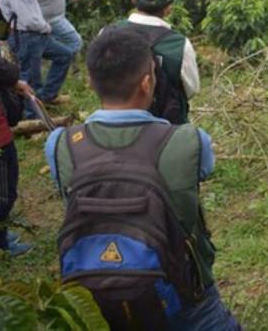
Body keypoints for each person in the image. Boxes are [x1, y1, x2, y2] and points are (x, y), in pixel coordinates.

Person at [44, 29, 239, 330]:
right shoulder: (190, 141)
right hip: (182, 293)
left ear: (90, 81)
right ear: (147, 83)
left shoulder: (61, 144)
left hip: (93, 295)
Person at [0, 0, 74, 111]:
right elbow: (26, 18)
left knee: (65, 55)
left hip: (38, 34)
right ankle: (32, 117)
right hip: (27, 36)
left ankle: (47, 97)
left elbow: (32, 7)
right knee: (31, 79)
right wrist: (45, 27)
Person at [114, 0, 200, 124]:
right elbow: (191, 90)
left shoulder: (107, 34)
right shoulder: (179, 45)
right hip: (168, 132)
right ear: (168, 9)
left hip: (116, 126)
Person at [0, 45, 33, 256]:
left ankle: (0, 235)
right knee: (2, 194)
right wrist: (13, 77)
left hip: (0, 132)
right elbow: (6, 70)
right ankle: (1, 246)